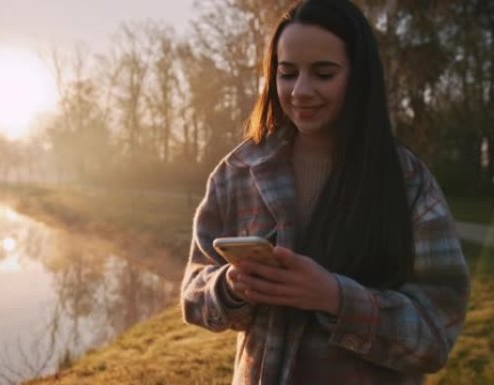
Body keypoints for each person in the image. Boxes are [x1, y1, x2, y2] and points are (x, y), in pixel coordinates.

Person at [180, 0, 470, 384]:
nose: (301, 91)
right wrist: (232, 285)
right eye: (287, 73)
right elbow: (192, 296)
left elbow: (435, 335)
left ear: (358, 77)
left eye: (323, 73)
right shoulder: (237, 173)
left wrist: (335, 298)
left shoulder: (407, 181)